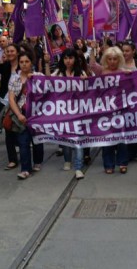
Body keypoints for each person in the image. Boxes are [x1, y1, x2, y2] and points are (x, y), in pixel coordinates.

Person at [90, 46, 130, 174]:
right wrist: (92, 49)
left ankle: (122, 162)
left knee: (122, 137)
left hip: (120, 109)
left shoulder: (124, 72)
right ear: (105, 60)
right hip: (105, 110)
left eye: (115, 59)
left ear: (119, 60)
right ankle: (108, 164)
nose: (112, 61)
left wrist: (130, 76)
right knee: (107, 138)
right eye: (109, 59)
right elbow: (91, 64)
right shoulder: (101, 71)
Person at [51, 48, 88, 179]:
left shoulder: (81, 72)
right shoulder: (58, 72)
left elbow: (92, 88)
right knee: (66, 138)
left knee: (78, 140)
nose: (68, 61)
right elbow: (46, 82)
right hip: (63, 111)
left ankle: (78, 167)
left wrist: (86, 81)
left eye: (70, 58)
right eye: (66, 58)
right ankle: (67, 160)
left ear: (75, 59)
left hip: (78, 112)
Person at [10, 51, 44, 180]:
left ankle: (37, 161)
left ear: (31, 63)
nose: (24, 65)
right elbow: (12, 98)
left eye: (27, 62)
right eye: (21, 62)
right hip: (22, 114)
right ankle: (25, 169)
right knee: (23, 141)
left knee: (37, 140)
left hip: (36, 114)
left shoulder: (38, 76)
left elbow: (48, 92)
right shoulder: (15, 79)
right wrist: (18, 114)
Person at [0, 43, 20, 169]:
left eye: (12, 51)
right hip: (5, 102)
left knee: (22, 130)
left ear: (17, 52)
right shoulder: (4, 66)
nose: (10, 53)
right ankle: (12, 159)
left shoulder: (23, 65)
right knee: (8, 129)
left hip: (20, 102)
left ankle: (25, 155)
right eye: (7, 51)